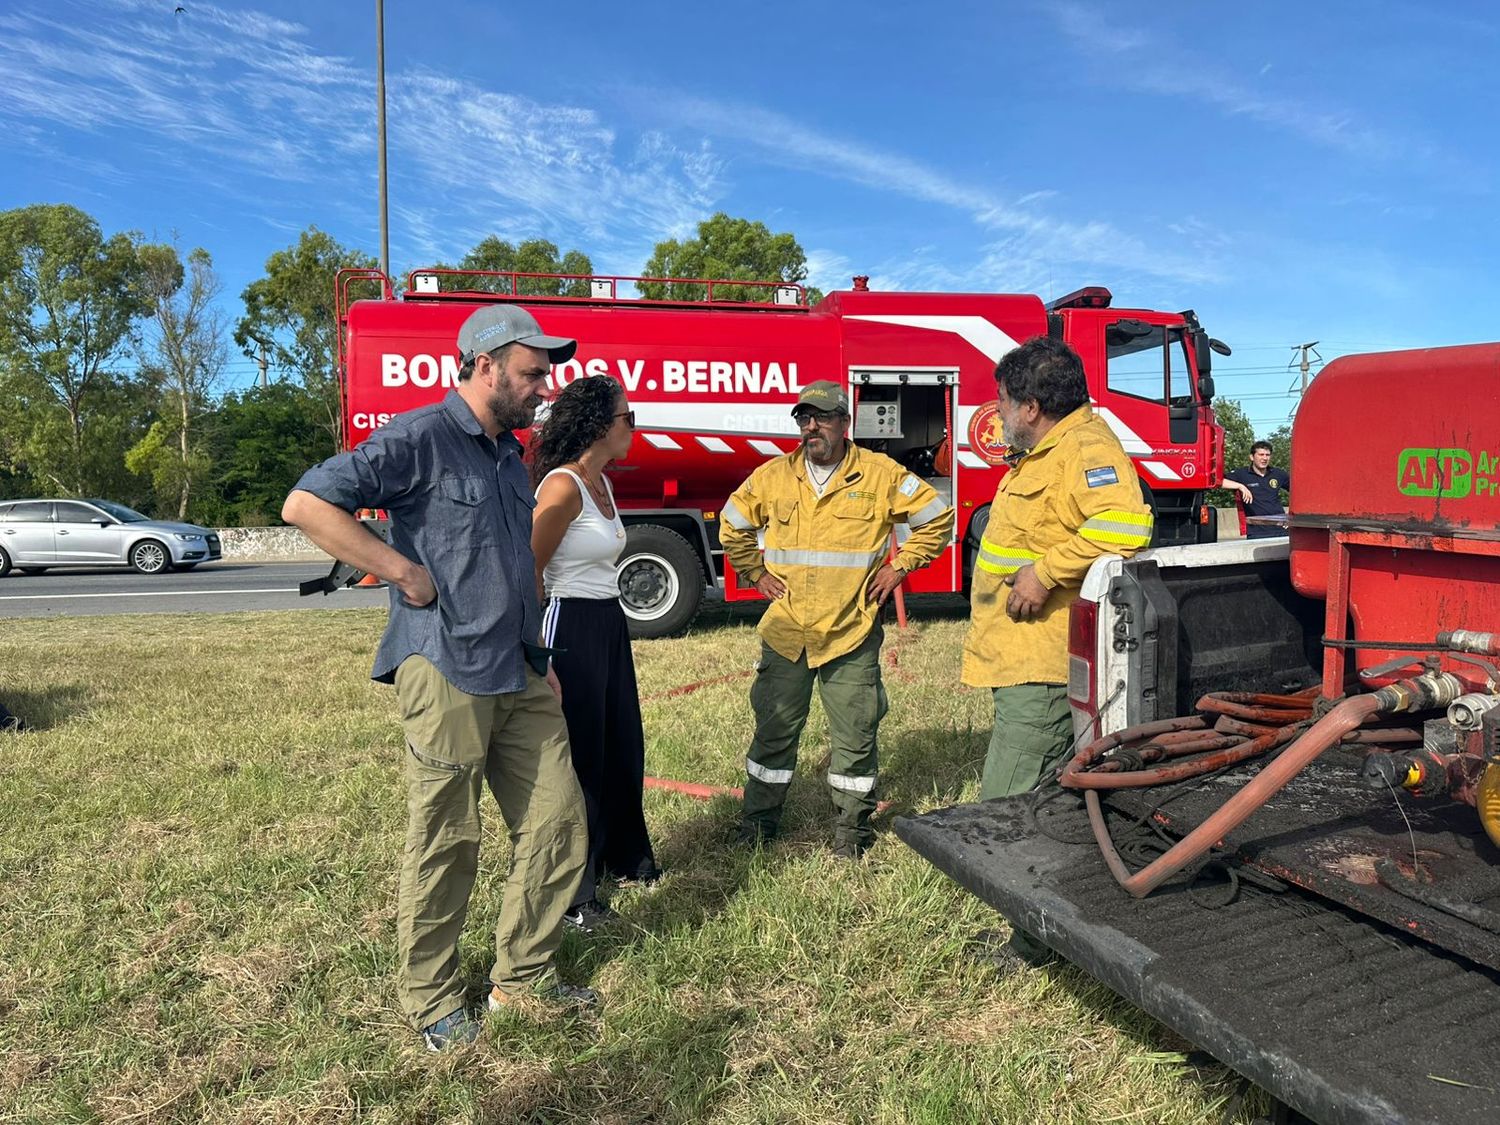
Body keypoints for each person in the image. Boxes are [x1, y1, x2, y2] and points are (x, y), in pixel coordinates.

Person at [281, 305, 591, 1053]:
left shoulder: (507, 455)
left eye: (545, 374)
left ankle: (522, 978)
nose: (544, 386)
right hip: (446, 665)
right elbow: (305, 502)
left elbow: (520, 565)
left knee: (559, 819)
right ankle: (432, 1000)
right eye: (532, 372)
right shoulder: (421, 437)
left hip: (518, 669)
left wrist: (539, 661)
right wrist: (400, 569)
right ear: (485, 365)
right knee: (447, 836)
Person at [719, 380, 955, 858]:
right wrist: (755, 573)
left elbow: (938, 517)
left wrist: (899, 566)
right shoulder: (772, 477)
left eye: (822, 417)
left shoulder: (880, 473)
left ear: (845, 423)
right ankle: (759, 824)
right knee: (773, 733)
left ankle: (852, 833)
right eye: (804, 418)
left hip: (850, 632)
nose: (811, 427)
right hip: (787, 633)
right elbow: (733, 525)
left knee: (855, 738)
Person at [962, 336, 1153, 800]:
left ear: (1030, 407)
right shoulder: (1052, 448)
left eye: (1003, 402)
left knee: (1004, 805)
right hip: (1019, 652)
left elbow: (1123, 527)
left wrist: (1043, 574)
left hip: (1042, 667)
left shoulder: (1085, 448)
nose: (998, 413)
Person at [529, 376, 660, 934]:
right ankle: (576, 894)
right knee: (579, 756)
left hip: (608, 621)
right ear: (602, 425)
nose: (635, 426)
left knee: (620, 741)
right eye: (629, 417)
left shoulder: (601, 482)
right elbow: (528, 571)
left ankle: (622, 857)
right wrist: (542, 653)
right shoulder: (561, 487)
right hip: (568, 622)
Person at [1223, 440, 1291, 538]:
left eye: (1267, 455)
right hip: (1256, 531)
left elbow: (1298, 492)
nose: (1264, 458)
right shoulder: (1241, 474)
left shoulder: (1278, 474)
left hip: (1281, 529)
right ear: (1252, 457)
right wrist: (1240, 486)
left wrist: (1292, 516)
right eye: (1261, 454)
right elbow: (1218, 482)